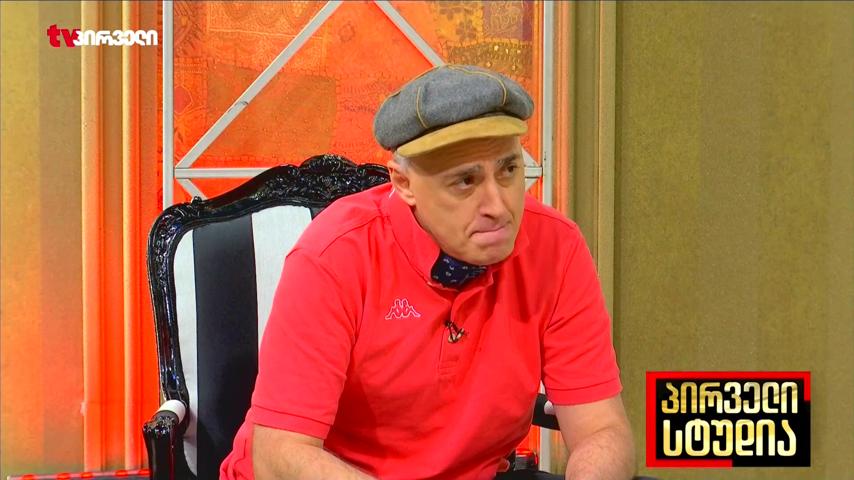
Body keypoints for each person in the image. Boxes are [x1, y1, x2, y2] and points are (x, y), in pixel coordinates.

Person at [221, 65, 635, 480]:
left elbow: (602, 430)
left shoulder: (557, 246)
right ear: (404, 184)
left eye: (508, 170)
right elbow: (279, 454)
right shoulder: (333, 255)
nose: (499, 206)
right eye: (466, 181)